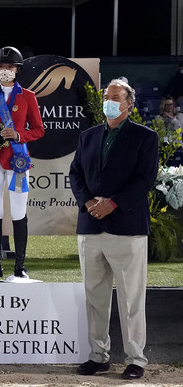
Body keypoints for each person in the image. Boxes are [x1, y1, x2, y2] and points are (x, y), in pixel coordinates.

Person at [69, 79, 158, 380]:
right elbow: (75, 174)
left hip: (127, 227)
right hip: (91, 226)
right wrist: (88, 202)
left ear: (129, 104)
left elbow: (144, 179)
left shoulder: (145, 138)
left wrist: (114, 203)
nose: (109, 101)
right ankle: (98, 356)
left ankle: (136, 359)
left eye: (116, 97)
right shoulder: (88, 136)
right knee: (95, 297)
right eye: (107, 96)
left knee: (132, 298)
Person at [0, 46, 44, 280]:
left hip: (17, 161)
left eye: (10, 67)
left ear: (17, 70)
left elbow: (38, 130)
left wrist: (18, 135)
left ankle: (20, 266)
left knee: (18, 212)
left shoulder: (28, 97)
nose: (6, 70)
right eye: (2, 67)